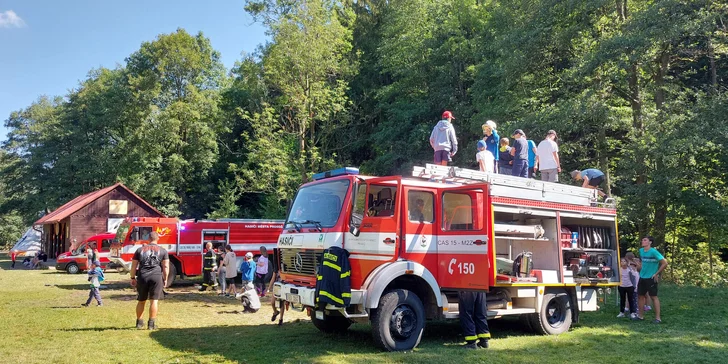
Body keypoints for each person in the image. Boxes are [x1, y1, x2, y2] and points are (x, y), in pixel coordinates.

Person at [130, 232, 169, 330]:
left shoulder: (139, 250)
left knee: (141, 300)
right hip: (156, 276)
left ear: (148, 239)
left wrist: (132, 277)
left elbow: (134, 265)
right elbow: (165, 266)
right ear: (158, 238)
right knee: (154, 301)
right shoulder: (163, 251)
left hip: (143, 276)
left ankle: (139, 323)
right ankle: (151, 324)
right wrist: (165, 278)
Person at [633, 236, 668, 323]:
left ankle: (658, 318)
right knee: (640, 296)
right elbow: (643, 265)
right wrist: (638, 265)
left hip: (651, 278)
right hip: (642, 277)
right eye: (642, 240)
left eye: (645, 240)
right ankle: (640, 316)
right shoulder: (641, 251)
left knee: (653, 297)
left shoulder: (653, 252)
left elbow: (665, 263)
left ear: (650, 242)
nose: (642, 241)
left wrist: (656, 273)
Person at [268, 249, 287, 325]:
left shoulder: (286, 267)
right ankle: (275, 312)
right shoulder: (276, 268)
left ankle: (281, 319)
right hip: (277, 287)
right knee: (272, 302)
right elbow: (273, 277)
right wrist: (269, 288)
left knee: (282, 304)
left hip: (283, 286)